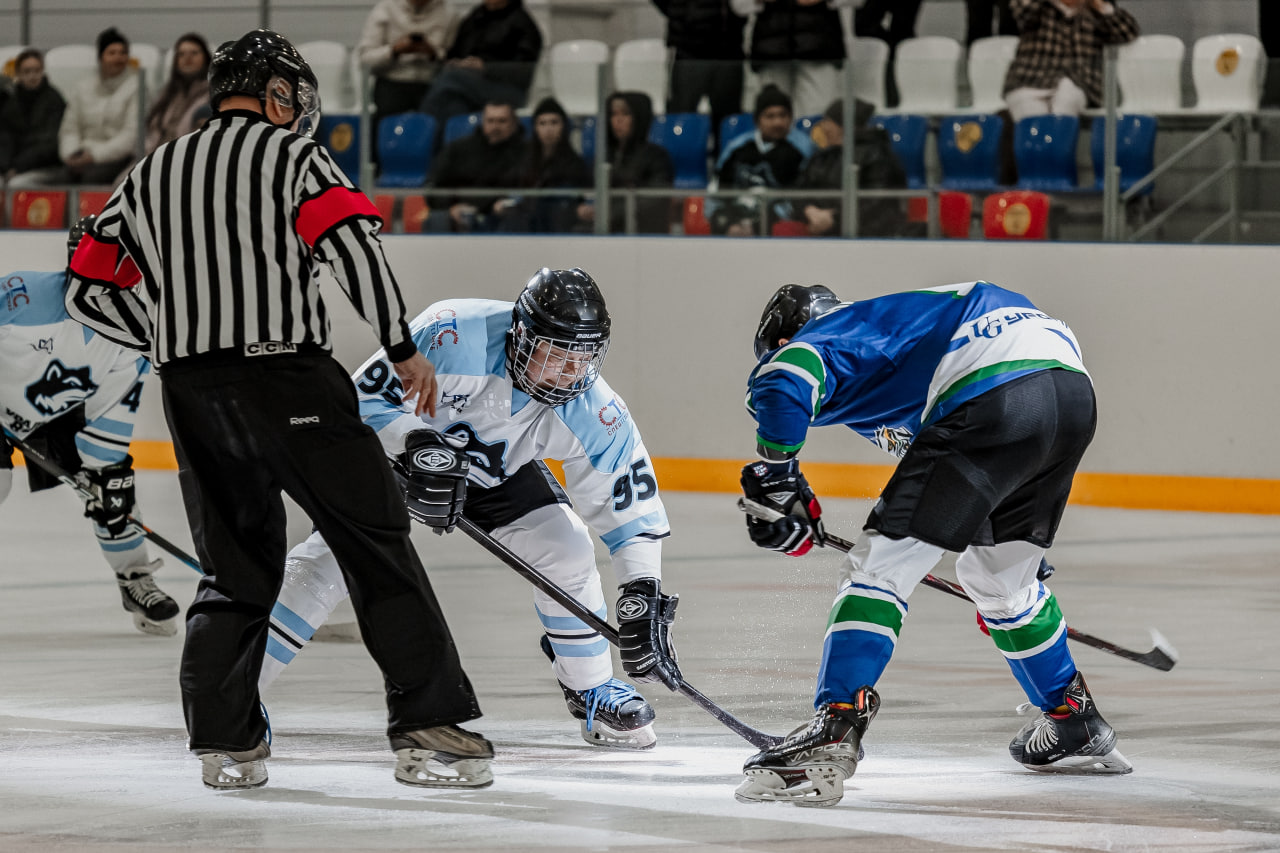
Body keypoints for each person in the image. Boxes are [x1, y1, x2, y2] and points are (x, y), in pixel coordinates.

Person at [64, 29, 491, 792]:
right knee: (374, 541)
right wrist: (401, 347)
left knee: (233, 565)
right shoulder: (291, 155)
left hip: (192, 390)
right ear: (276, 94)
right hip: (289, 375)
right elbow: (353, 246)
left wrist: (162, 333)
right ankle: (427, 723)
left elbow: (85, 285)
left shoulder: (152, 168)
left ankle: (225, 744)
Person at [734, 282, 1130, 807]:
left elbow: (787, 376)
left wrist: (779, 477)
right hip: (1068, 392)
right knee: (1001, 580)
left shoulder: (830, 335)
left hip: (992, 388)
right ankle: (1072, 720)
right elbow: (949, 459)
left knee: (879, 568)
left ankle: (835, 726)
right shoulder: (898, 340)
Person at [259, 268, 683, 750]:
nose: (571, 373)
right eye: (558, 355)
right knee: (332, 561)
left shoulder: (593, 409)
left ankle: (591, 686)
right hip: (397, 460)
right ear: (521, 335)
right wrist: (412, 443)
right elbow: (358, 403)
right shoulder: (452, 332)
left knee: (566, 550)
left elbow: (629, 510)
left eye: (582, 358)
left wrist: (642, 593)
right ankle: (237, 695)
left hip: (494, 472)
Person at [1, 218, 180, 637]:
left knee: (113, 487)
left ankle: (134, 578)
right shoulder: (24, 296)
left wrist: (104, 476)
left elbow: (113, 412)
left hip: (52, 412)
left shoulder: (133, 331)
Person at [787, 97, 913, 237]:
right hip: (823, 232)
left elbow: (877, 201)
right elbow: (799, 191)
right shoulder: (822, 156)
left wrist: (834, 218)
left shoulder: (877, 155)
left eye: (829, 121)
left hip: (869, 236)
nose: (823, 127)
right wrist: (808, 210)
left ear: (843, 125)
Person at [34, 28, 139, 187]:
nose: (118, 58)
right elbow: (70, 129)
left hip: (117, 158)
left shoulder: (137, 87)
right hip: (81, 157)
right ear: (101, 57)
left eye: (123, 53)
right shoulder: (83, 87)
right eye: (112, 53)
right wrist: (71, 155)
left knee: (90, 181)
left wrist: (95, 156)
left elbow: (131, 136)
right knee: (58, 183)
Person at [1003, 0, 1139, 122]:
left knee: (1066, 99)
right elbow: (1021, 12)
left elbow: (1128, 32)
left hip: (1079, 81)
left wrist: (1099, 6)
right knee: (1028, 109)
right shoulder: (1036, 7)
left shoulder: (1095, 11)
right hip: (1029, 79)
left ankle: (1057, 145)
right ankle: (1041, 147)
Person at [357, 0, 458, 157]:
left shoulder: (449, 13)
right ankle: (379, 167)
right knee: (384, 120)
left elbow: (455, 59)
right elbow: (366, 60)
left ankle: (434, 170)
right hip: (392, 80)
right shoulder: (385, 9)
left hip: (432, 83)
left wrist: (433, 53)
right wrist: (395, 50)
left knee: (443, 117)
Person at [418, 0, 543, 126]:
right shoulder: (475, 18)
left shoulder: (523, 24)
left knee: (450, 80)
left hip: (506, 88)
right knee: (453, 102)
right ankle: (452, 142)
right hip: (466, 83)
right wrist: (456, 62)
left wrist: (485, 67)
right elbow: (455, 51)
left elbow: (524, 70)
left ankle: (420, 132)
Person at [651, 0, 748, 152]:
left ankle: (725, 168)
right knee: (682, 117)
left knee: (728, 119)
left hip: (728, 46)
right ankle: (679, 166)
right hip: (689, 48)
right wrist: (681, 11)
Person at [710, 84, 807, 236]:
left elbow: (800, 199)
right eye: (770, 116)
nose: (777, 122)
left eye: (783, 115)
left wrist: (761, 223)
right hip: (735, 218)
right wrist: (729, 221)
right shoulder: (737, 148)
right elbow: (717, 190)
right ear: (758, 120)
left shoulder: (803, 150)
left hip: (775, 227)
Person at [731, 0, 850, 118]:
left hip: (820, 47)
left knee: (817, 115)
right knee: (773, 113)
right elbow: (739, 6)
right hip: (771, 47)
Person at [423, 98, 526, 232]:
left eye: (502, 121)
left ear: (514, 124)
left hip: (502, 214)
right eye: (491, 121)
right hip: (459, 212)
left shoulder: (525, 152)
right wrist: (451, 208)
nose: (495, 126)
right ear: (483, 122)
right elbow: (433, 187)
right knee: (437, 218)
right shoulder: (458, 149)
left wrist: (503, 204)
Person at [579, 91, 673, 235]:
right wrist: (581, 208)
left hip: (643, 235)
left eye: (625, 114)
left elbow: (656, 198)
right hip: (604, 232)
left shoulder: (657, 157)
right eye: (613, 114)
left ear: (639, 117)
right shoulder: (604, 156)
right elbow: (587, 190)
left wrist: (611, 212)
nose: (618, 120)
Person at [503, 96, 591, 233]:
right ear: (535, 128)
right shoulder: (522, 161)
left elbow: (579, 199)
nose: (548, 129)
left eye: (554, 123)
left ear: (564, 126)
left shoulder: (575, 165)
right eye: (542, 123)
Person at [0, 49, 66, 185]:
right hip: (13, 167)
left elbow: (50, 144)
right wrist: (5, 167)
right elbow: (5, 139)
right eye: (27, 71)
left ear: (43, 71)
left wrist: (18, 167)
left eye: (37, 71)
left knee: (17, 184)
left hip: (46, 167)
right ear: (18, 74)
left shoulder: (54, 100)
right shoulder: (10, 102)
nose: (32, 76)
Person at [142, 34, 211, 154]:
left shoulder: (212, 94)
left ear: (206, 58)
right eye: (181, 54)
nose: (187, 58)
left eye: (194, 53)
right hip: (153, 156)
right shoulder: (167, 93)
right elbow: (151, 132)